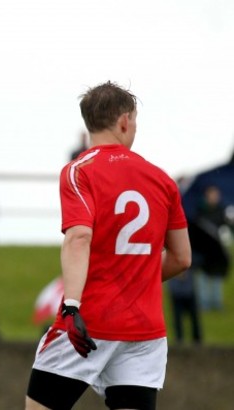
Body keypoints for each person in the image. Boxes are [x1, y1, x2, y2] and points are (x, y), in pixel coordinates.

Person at [25, 81, 192, 410]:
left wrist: (71, 305)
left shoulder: (78, 171)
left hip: (89, 321)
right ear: (125, 121)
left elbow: (78, 236)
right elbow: (182, 258)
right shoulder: (162, 180)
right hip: (145, 332)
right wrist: (135, 277)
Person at [192, 185, 231, 311]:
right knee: (203, 277)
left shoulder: (221, 210)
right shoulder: (199, 210)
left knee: (216, 276)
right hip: (203, 249)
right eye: (212, 194)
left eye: (216, 194)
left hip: (216, 248)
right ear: (206, 195)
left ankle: (216, 302)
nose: (215, 197)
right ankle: (204, 303)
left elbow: (227, 225)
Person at [167, 267, 202, 345]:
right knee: (178, 318)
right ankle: (180, 340)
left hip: (188, 290)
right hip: (177, 291)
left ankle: (197, 340)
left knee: (194, 317)